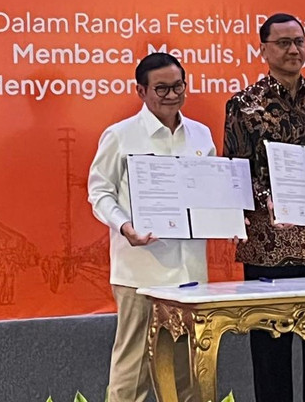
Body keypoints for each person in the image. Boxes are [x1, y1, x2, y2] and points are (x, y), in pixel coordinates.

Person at [223, 13, 305, 402]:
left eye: (299, 41)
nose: (293, 50)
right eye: (283, 43)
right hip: (269, 245)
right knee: (270, 351)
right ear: (263, 49)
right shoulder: (244, 105)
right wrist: (263, 199)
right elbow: (235, 172)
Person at [87, 53, 215, 402]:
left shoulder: (200, 135)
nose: (172, 95)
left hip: (190, 272)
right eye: (161, 88)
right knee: (133, 368)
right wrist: (125, 226)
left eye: (178, 86)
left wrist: (229, 216)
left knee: (190, 369)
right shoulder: (120, 135)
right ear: (141, 91)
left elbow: (210, 192)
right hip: (140, 272)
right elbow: (99, 193)